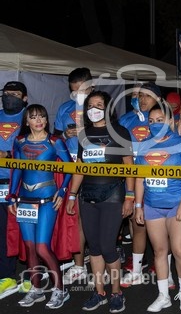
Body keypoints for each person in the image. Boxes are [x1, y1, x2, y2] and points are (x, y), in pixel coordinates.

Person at [65, 91, 134, 313]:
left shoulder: (120, 131)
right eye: (90, 105)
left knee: (107, 247)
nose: (93, 109)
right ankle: (99, 292)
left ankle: (116, 293)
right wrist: (72, 195)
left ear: (107, 108)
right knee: (93, 247)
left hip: (113, 194)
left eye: (99, 104)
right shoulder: (84, 134)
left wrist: (130, 197)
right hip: (87, 196)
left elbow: (129, 166)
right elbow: (79, 167)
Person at [7, 104, 72, 309]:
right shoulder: (19, 141)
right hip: (25, 200)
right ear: (27, 121)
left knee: (42, 246)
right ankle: (36, 289)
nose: (39, 120)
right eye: (34, 117)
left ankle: (60, 290)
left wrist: (62, 191)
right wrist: (12, 196)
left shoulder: (55, 142)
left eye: (42, 116)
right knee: (30, 247)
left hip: (47, 200)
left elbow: (70, 166)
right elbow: (17, 169)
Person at [134, 103, 181, 312]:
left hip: (176, 204)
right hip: (152, 206)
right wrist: (138, 205)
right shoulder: (143, 145)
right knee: (159, 251)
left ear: (170, 121)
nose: (155, 124)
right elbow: (139, 178)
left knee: (179, 250)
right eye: (151, 121)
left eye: (160, 120)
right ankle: (163, 296)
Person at [119, 82, 162, 287]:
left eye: (147, 96)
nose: (142, 99)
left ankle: (158, 263)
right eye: (140, 96)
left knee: (157, 226)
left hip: (156, 182)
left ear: (158, 100)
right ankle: (138, 265)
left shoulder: (162, 120)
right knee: (135, 222)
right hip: (132, 180)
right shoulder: (126, 120)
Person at [54, 67, 93, 286]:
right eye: (74, 91)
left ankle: (102, 261)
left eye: (82, 90)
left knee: (95, 216)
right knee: (75, 216)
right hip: (72, 168)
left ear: (91, 86)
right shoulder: (64, 108)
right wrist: (64, 134)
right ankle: (79, 265)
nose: (78, 95)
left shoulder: (100, 106)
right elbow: (55, 137)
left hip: (97, 168)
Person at [0, 81, 28, 299]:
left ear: (24, 99)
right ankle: (6, 275)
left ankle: (32, 274)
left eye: (15, 94)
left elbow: (35, 148)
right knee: (3, 230)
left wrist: (7, 156)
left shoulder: (30, 118)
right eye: (7, 93)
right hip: (0, 182)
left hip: (22, 183)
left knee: (27, 230)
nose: (10, 97)